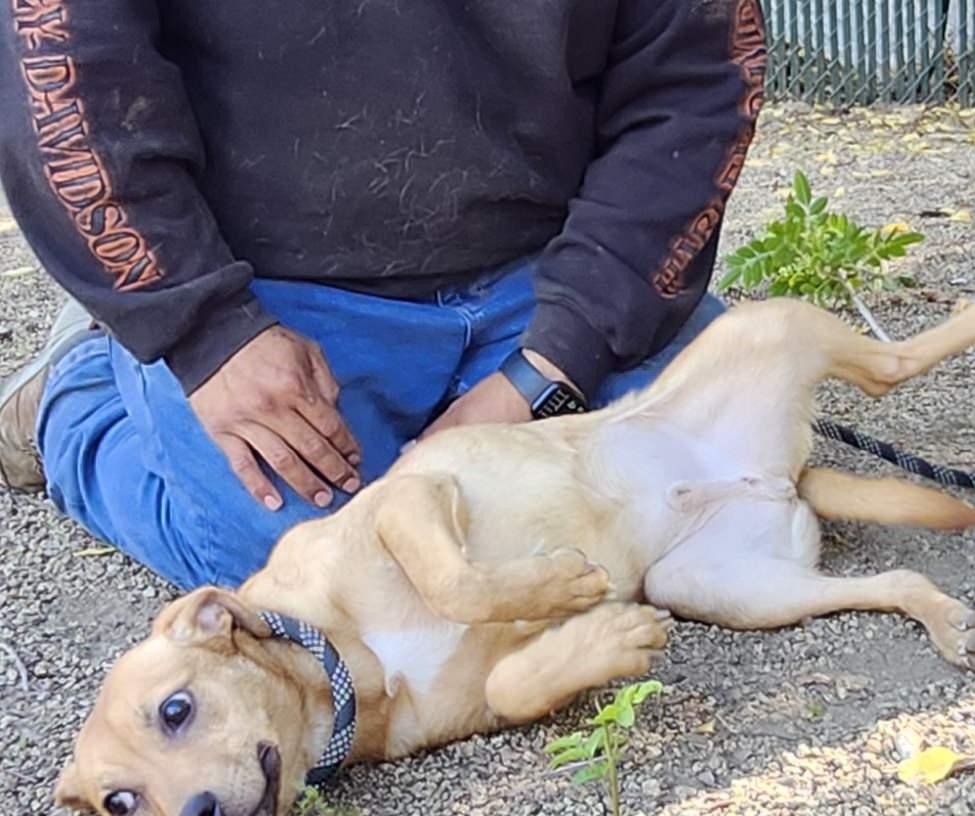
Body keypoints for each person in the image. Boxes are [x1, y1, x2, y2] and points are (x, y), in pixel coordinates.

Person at [0, 0, 767, 591]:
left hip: (546, 266)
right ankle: (77, 401)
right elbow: (66, 76)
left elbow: (696, 81)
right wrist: (195, 322)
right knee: (336, 572)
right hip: (263, 292)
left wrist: (553, 366)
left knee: (728, 468)